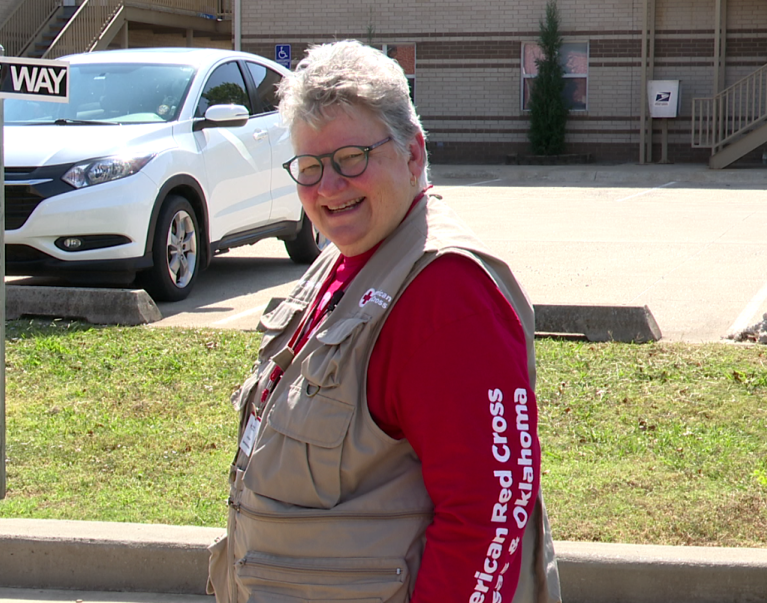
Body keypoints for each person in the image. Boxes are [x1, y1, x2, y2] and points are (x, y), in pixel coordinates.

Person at [206, 40, 561, 603]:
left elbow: (488, 513)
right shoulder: (345, 259)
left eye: (351, 159)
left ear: (413, 153)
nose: (328, 188)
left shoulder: (447, 293)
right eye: (310, 166)